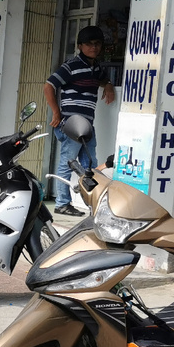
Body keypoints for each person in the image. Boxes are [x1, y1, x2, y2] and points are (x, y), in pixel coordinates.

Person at [44, 25, 115, 216]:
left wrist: (108, 85)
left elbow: (103, 79)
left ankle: (92, 203)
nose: (94, 47)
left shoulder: (96, 68)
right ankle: (62, 203)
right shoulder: (71, 66)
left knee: (89, 165)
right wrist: (56, 113)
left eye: (97, 44)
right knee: (68, 162)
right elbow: (49, 85)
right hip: (72, 124)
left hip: (87, 126)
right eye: (89, 44)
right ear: (80, 46)